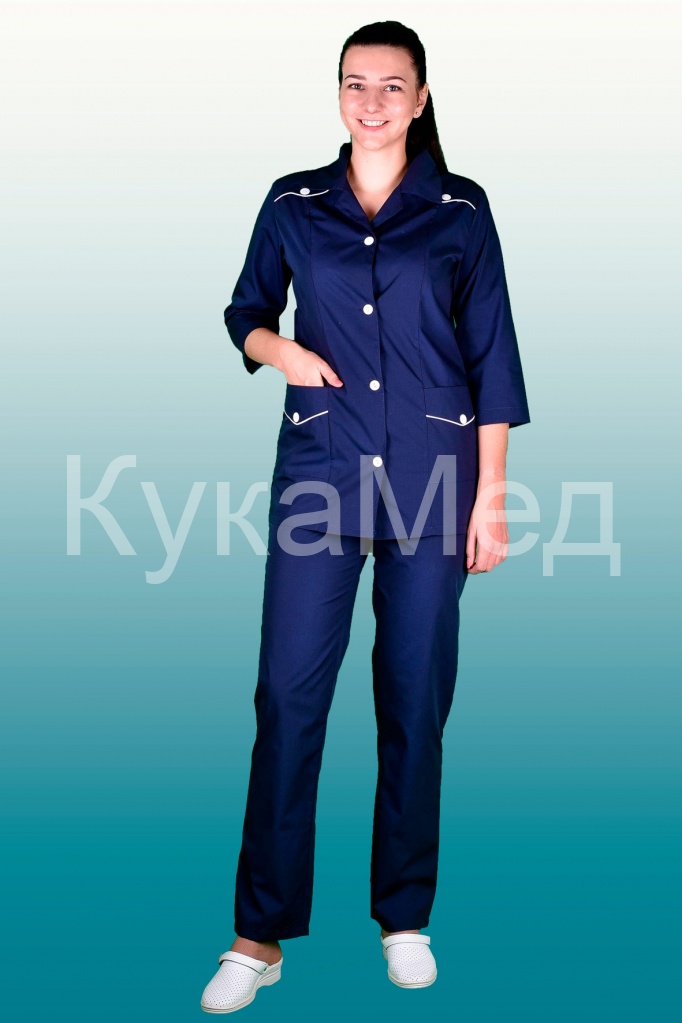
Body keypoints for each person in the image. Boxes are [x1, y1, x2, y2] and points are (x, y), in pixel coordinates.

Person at [201, 20, 531, 1013]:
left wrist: (491, 500)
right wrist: (282, 352)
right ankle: (258, 936)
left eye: (393, 85)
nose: (373, 101)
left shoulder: (461, 210)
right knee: (286, 697)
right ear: (337, 93)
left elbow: (494, 358)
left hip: (435, 481)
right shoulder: (293, 202)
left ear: (421, 98)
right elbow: (244, 312)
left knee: (414, 701)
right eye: (356, 83)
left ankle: (404, 917)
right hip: (321, 476)